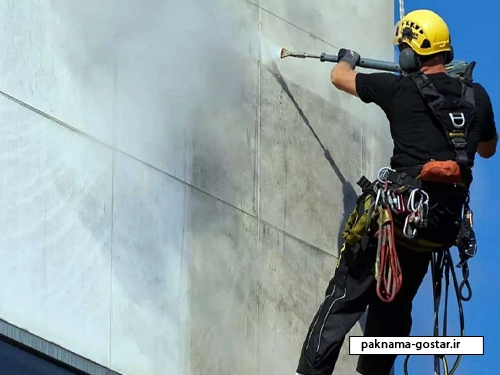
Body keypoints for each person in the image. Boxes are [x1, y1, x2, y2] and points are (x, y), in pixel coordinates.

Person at [295, 8, 497, 375]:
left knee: (344, 298)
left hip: (397, 217)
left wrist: (348, 58)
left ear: (411, 53)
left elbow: (340, 77)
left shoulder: (399, 88)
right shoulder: (477, 97)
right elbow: (487, 148)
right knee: (394, 306)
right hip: (434, 228)